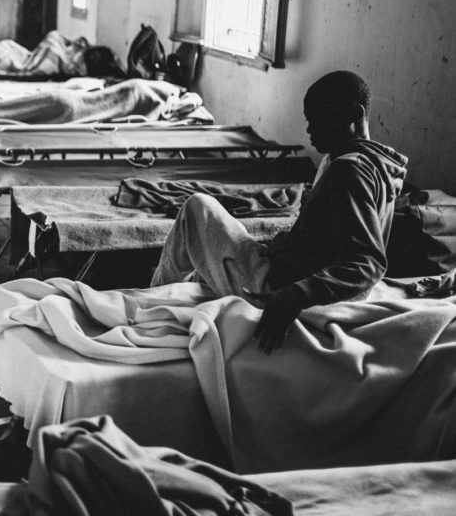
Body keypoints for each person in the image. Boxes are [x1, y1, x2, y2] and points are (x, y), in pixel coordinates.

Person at [150, 70, 408, 354]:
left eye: (318, 119)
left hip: (275, 288)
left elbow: (369, 261)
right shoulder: (377, 163)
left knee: (197, 209)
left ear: (353, 114)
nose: (309, 131)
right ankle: (170, 289)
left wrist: (296, 295)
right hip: (295, 273)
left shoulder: (348, 170)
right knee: (215, 249)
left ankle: (151, 302)